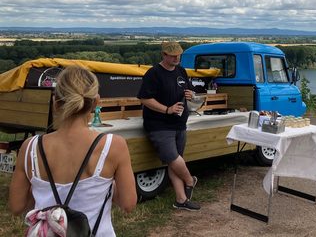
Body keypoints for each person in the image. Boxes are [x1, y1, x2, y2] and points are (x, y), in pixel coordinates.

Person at [8, 65, 137, 235]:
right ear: (96, 102)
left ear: (55, 102)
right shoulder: (113, 145)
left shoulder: (30, 147)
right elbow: (128, 204)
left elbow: (16, 206)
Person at [137, 41, 200, 211]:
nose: (176, 58)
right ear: (163, 55)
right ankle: (189, 181)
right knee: (173, 158)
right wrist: (167, 109)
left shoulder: (181, 71)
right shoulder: (154, 73)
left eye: (178, 55)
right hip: (159, 125)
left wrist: (191, 94)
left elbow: (191, 93)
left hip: (180, 123)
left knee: (175, 162)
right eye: (172, 56)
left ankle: (181, 200)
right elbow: (144, 98)